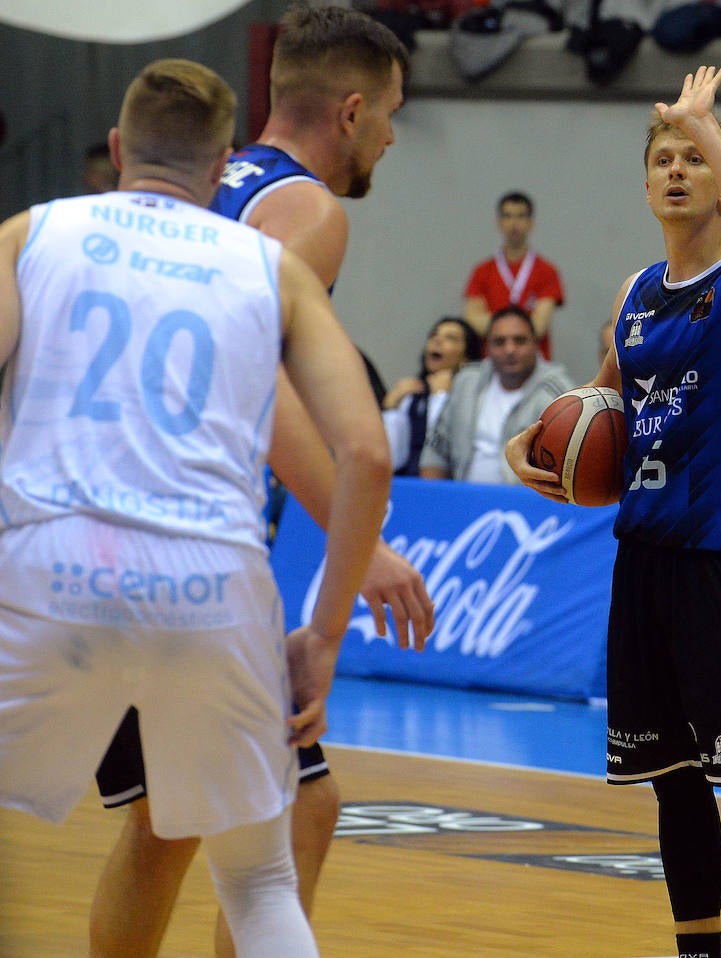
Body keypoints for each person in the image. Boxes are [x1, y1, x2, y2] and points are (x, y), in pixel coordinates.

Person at [0, 58, 393, 957]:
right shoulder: (267, 265)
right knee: (258, 878)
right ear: (222, 168)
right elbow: (367, 454)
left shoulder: (35, 232)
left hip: (52, 566)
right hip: (212, 587)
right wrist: (324, 637)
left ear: (114, 149)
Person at [87, 9, 422, 958]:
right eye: (391, 113)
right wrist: (369, 546)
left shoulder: (207, 182)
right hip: (183, 541)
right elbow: (260, 395)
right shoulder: (310, 210)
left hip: (98, 525)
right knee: (298, 809)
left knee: (166, 823)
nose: (393, 136)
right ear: (351, 110)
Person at [505, 65, 721, 958]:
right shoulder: (636, 297)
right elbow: (603, 402)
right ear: (645, 186)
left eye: (696, 160)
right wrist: (536, 445)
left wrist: (707, 123)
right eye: (663, 159)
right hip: (645, 564)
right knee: (673, 784)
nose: (678, 170)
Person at [420, 305, 574, 482]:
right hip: (463, 499)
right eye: (499, 342)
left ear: (536, 344)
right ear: (487, 347)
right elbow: (436, 449)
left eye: (519, 340)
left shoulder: (559, 393)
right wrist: (435, 499)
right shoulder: (466, 382)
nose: (509, 350)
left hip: (525, 505)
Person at [462, 190, 565, 358]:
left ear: (531, 223)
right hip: (491, 365)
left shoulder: (547, 271)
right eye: (508, 216)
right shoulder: (482, 271)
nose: (514, 223)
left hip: (535, 365)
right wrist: (519, 329)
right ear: (499, 223)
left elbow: (539, 326)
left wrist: (497, 328)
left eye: (521, 216)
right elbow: (472, 318)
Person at [382, 316, 481, 475]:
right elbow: (393, 459)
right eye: (434, 335)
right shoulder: (413, 394)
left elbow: (441, 452)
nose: (437, 340)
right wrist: (391, 409)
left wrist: (440, 398)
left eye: (450, 338)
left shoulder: (473, 399)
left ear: (466, 357)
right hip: (409, 485)